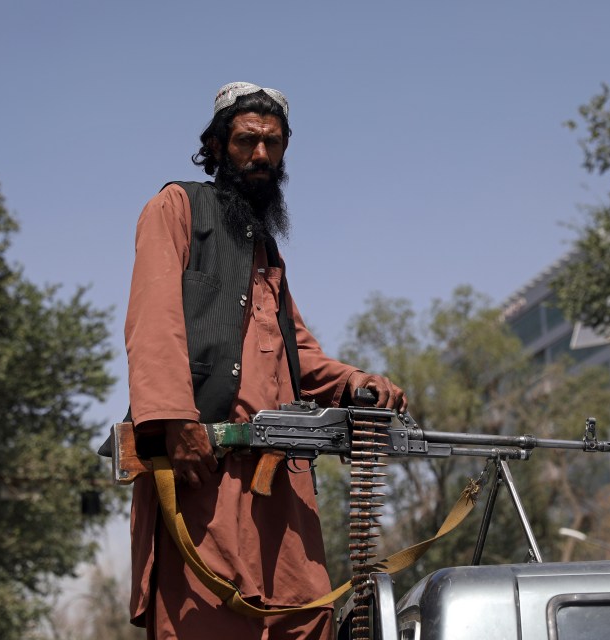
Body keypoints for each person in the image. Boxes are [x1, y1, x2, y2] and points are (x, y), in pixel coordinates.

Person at [124, 81, 407, 639]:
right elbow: (154, 321)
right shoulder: (177, 208)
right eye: (246, 140)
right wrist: (175, 423)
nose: (260, 155)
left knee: (303, 616)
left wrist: (356, 384)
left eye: (272, 144)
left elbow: (293, 349)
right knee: (208, 618)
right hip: (202, 470)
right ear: (217, 145)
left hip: (280, 485)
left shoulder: (265, 250)